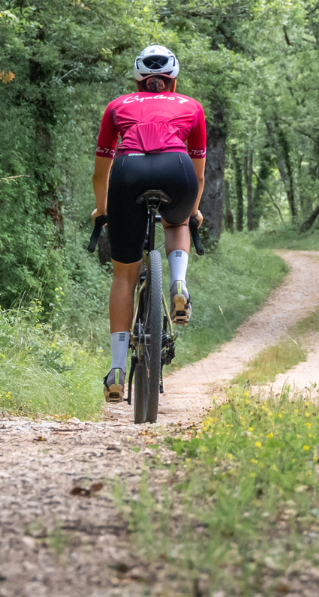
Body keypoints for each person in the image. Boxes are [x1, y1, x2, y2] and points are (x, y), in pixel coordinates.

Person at [92, 45, 206, 403]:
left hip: (128, 170)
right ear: (173, 81)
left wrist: (102, 210)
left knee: (124, 275)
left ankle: (116, 369)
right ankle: (178, 284)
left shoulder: (117, 105)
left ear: (138, 80)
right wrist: (193, 210)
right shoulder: (192, 106)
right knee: (177, 223)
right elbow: (199, 175)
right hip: (177, 169)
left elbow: (101, 173)